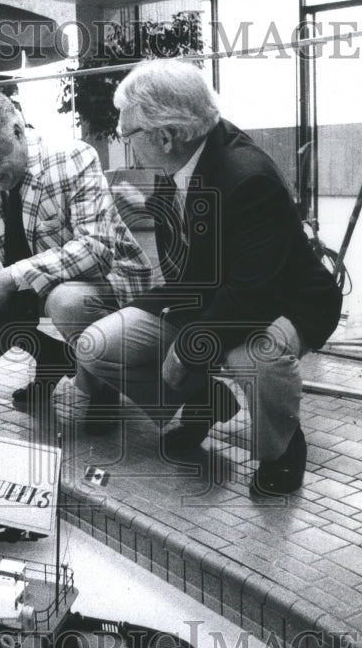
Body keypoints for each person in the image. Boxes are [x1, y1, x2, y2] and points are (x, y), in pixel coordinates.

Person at [67, 59, 342, 497]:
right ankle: (205, 402)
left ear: (165, 135)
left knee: (254, 360)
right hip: (214, 294)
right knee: (96, 346)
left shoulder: (246, 177)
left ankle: (282, 449)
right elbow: (194, 257)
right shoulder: (183, 159)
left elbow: (252, 294)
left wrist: (188, 349)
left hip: (285, 300)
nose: (125, 144)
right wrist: (150, 211)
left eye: (127, 135)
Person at [0, 88, 152, 413]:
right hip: (35, 282)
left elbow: (95, 249)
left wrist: (10, 277)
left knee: (66, 300)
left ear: (18, 132)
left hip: (107, 278)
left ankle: (103, 386)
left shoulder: (72, 157)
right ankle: (52, 358)